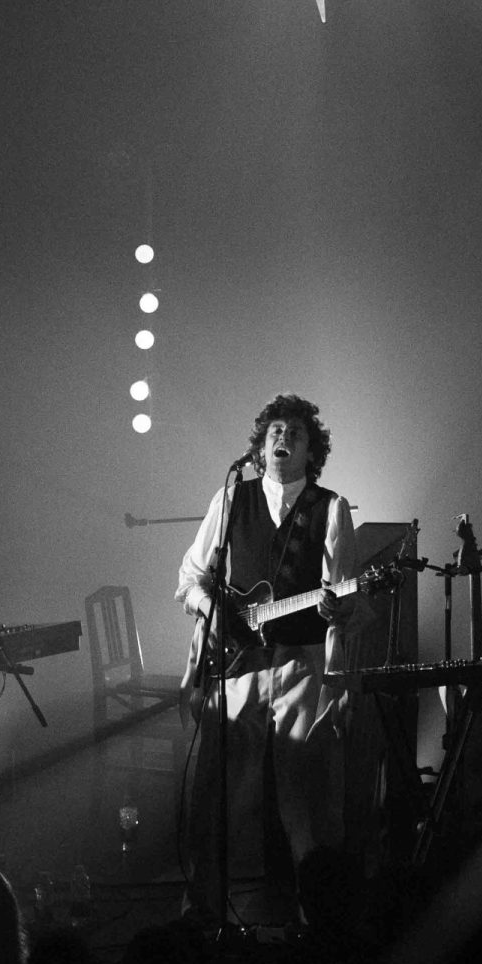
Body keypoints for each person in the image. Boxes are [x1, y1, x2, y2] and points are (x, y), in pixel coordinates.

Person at [176, 392, 361, 921]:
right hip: (238, 668)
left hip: (302, 663)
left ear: (311, 452)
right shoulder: (232, 499)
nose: (284, 437)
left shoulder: (330, 508)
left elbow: (345, 597)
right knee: (220, 794)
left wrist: (338, 608)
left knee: (304, 798)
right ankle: (204, 913)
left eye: (295, 432)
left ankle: (319, 918)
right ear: (260, 447)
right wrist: (210, 608)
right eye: (275, 430)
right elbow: (190, 577)